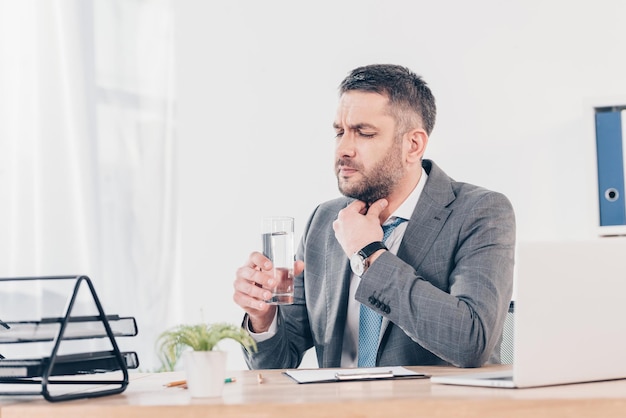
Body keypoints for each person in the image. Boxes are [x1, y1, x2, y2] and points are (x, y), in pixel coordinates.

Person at [233, 64, 515, 369]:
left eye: (363, 133)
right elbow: (276, 364)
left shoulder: (480, 213)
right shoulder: (325, 220)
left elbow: (471, 342)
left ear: (413, 145)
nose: (343, 149)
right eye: (339, 132)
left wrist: (369, 253)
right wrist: (263, 318)